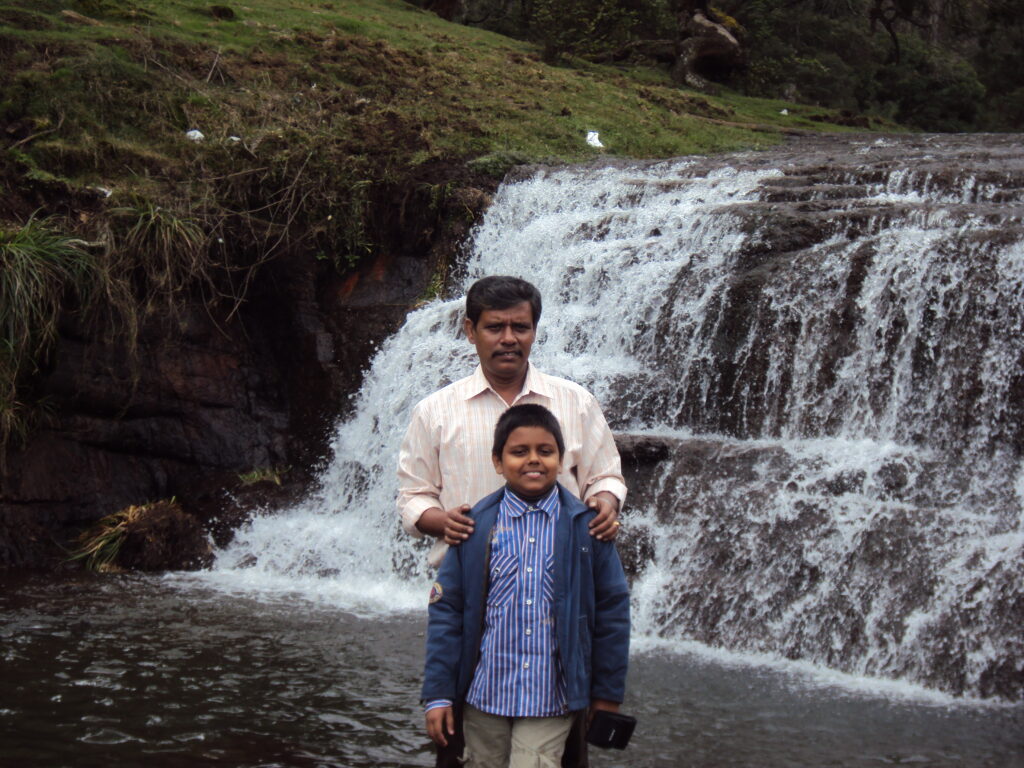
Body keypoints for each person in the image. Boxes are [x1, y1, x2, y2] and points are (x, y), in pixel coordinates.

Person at [421, 404, 630, 767]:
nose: (533, 460)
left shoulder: (587, 528)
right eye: (519, 452)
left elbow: (613, 611)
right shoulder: (473, 528)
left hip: (552, 697)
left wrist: (607, 694)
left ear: (561, 460)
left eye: (545, 451)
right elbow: (447, 613)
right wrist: (438, 694)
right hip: (484, 693)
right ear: (498, 462)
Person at [397, 276, 626, 567]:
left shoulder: (577, 402)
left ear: (534, 331)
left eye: (520, 327)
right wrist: (445, 522)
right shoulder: (433, 412)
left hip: (564, 581)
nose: (508, 338)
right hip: (469, 583)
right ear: (470, 330)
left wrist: (605, 504)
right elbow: (414, 496)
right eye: (494, 327)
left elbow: (605, 477)